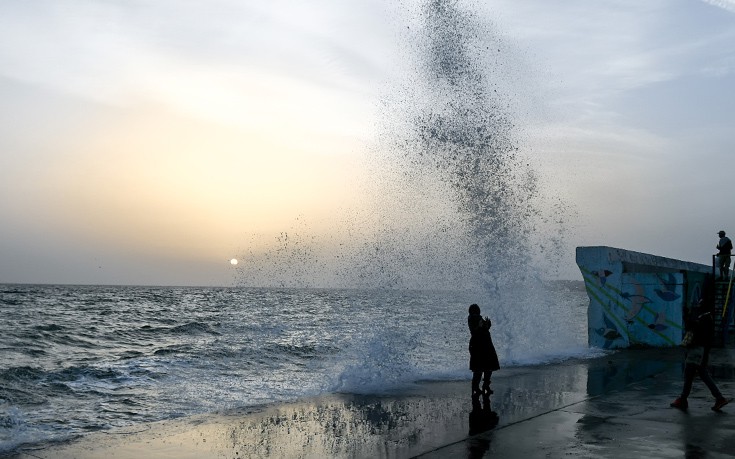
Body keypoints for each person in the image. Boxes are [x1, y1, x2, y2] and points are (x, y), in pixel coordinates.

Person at [670, 300, 730, 412]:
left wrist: (687, 316)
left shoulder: (704, 319)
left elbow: (692, 329)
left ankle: (718, 398)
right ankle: (717, 398)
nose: (698, 304)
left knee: (693, 374)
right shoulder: (706, 318)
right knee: (696, 374)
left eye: (700, 303)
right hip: (698, 351)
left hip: (697, 351)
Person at [467, 303, 500, 396]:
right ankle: (477, 388)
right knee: (481, 368)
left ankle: (483, 386)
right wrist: (482, 326)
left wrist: (487, 325)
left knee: (486, 367)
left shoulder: (476, 318)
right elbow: (474, 330)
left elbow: (482, 329)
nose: (476, 313)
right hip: (480, 345)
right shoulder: (472, 318)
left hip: (484, 345)